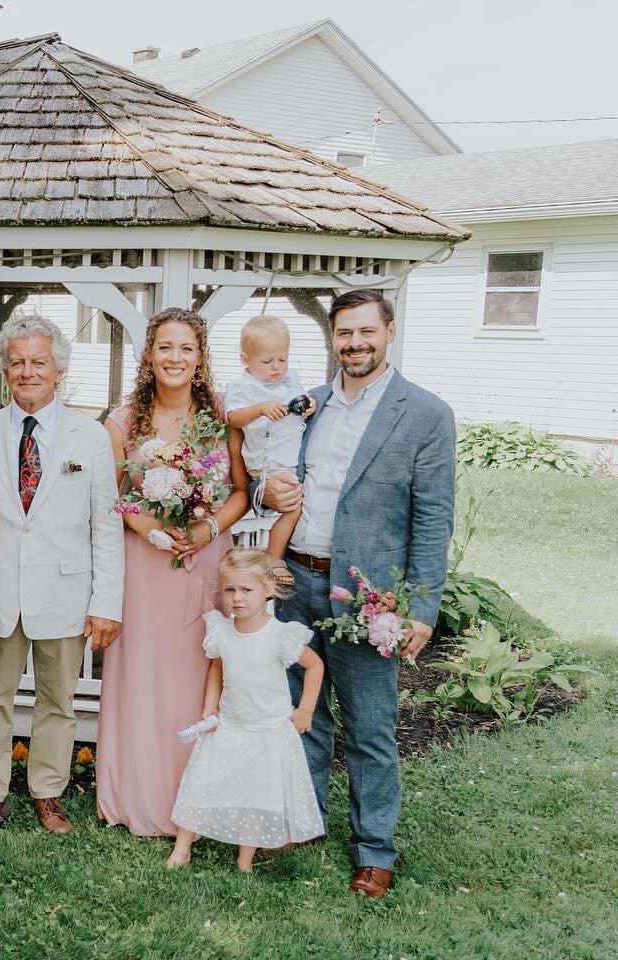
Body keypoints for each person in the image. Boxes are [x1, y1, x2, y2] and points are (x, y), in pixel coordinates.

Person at [262, 288, 455, 899]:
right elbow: (275, 470)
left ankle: (374, 850)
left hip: (367, 598)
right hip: (295, 581)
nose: (355, 343)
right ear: (333, 339)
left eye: (366, 332)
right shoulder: (308, 404)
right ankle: (306, 819)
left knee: (371, 728)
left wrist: (421, 607)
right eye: (344, 334)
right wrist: (271, 493)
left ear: (389, 332)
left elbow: (432, 518)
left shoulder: (424, 413)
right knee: (303, 713)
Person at [96, 307, 250, 837]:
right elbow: (114, 494)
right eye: (165, 347)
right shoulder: (124, 418)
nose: (175, 358)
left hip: (202, 558)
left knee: (195, 675)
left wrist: (206, 531)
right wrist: (150, 531)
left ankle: (195, 803)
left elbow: (240, 492)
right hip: (145, 561)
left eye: (186, 348)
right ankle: (134, 796)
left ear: (200, 357)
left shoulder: (223, 415)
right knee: (141, 673)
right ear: (150, 354)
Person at [0, 314, 123, 834]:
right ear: (5, 370)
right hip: (0, 592)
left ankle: (48, 792)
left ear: (58, 369)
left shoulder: (91, 436)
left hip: (65, 591)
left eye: (38, 362)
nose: (28, 371)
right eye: (17, 363)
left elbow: (106, 525)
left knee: (59, 702)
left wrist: (107, 603)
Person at [167, 548, 326, 873]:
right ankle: (181, 849)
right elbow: (217, 669)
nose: (237, 598)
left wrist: (305, 710)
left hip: (267, 731)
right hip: (228, 726)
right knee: (200, 785)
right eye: (230, 590)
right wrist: (210, 707)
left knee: (257, 795)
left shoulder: (281, 635)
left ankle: (245, 859)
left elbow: (315, 666)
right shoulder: (222, 630)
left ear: (268, 589)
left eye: (246, 590)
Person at [222, 315, 315, 565]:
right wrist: (260, 408)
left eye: (282, 359)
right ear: (245, 359)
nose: (276, 367)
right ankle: (274, 558)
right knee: (295, 507)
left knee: (300, 504)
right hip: (267, 462)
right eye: (267, 361)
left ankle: (275, 555)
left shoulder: (291, 379)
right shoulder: (243, 387)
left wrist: (309, 405)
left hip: (290, 458)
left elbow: (303, 400)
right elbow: (233, 418)